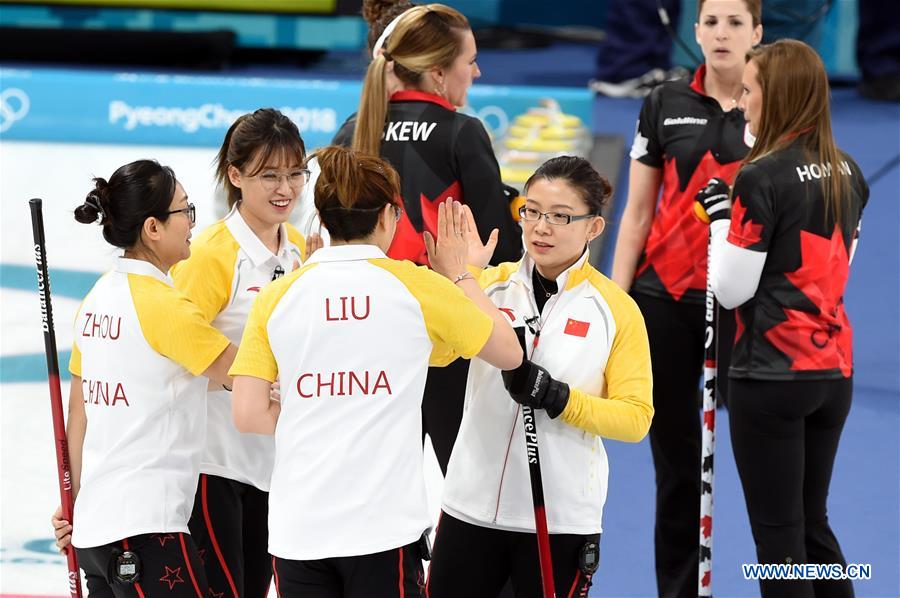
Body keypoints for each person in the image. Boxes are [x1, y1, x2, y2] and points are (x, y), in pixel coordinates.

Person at [227, 145, 522, 598]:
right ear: (391, 215)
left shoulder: (279, 295)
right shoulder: (416, 286)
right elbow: (509, 353)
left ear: (322, 219)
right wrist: (462, 274)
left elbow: (247, 413)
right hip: (382, 530)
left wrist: (322, 412)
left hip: (299, 528)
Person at [428, 156, 654, 597]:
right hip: (470, 506)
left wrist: (557, 397)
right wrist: (464, 277)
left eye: (559, 216)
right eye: (531, 211)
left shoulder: (615, 310)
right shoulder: (489, 286)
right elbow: (438, 355)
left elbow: (635, 418)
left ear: (594, 228)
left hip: (560, 518)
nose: (540, 227)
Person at [695, 39, 869, 597]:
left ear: (779, 97)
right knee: (812, 525)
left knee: (779, 542)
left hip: (770, 374)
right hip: (832, 374)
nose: (742, 103)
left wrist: (722, 219)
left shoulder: (759, 176)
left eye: (749, 91)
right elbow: (842, 266)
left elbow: (730, 288)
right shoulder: (849, 171)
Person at [609, 1, 762, 595]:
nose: (721, 34)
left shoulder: (774, 104)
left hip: (748, 308)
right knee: (677, 471)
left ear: (757, 32)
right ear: (694, 32)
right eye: (711, 22)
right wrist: (616, 304)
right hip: (667, 303)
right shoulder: (664, 103)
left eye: (735, 23)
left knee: (768, 472)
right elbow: (638, 212)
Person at [350, 1, 524, 477]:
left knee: (376, 479)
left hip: (363, 333)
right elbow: (501, 248)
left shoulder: (353, 129)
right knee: (464, 487)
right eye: (469, 62)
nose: (477, 71)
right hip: (444, 333)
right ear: (439, 74)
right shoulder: (462, 133)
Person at [50, 160, 236, 597]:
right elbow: (244, 373)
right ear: (153, 227)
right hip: (149, 533)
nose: (192, 223)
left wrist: (72, 504)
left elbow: (80, 415)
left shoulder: (96, 299)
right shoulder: (164, 307)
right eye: (185, 212)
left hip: (96, 531)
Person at [168, 108, 318, 598]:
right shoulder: (210, 254)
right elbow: (171, 358)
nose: (286, 189)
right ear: (235, 176)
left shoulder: (299, 247)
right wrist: (249, 376)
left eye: (295, 173)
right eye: (269, 175)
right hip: (213, 464)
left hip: (274, 462)